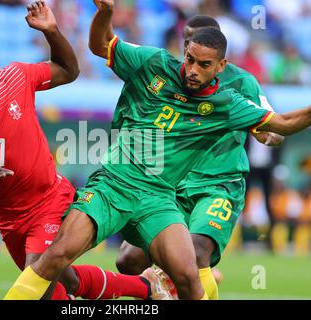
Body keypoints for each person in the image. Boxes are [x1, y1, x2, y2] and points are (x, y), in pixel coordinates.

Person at [4, 0, 311, 300]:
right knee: (60, 255)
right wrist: (105, 13)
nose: (192, 70)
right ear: (183, 47)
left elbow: (284, 123)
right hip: (114, 185)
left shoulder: (229, 100)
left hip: (160, 197)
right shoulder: (154, 63)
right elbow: (99, 45)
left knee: (189, 274)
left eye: (203, 65)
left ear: (220, 66)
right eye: (189, 58)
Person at [0, 1, 172, 301]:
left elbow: (69, 71)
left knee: (40, 285)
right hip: (10, 218)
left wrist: (52, 32)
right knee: (65, 281)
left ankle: (148, 288)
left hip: (49, 199)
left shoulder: (13, 78)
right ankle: (148, 287)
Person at [115, 15, 284, 299]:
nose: (191, 60)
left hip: (219, 182)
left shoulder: (242, 82)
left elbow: (271, 125)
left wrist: (270, 134)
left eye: (202, 51)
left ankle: (191, 280)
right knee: (128, 261)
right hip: (173, 186)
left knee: (195, 252)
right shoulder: (172, 77)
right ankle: (175, 283)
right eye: (186, 46)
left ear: (217, 53)